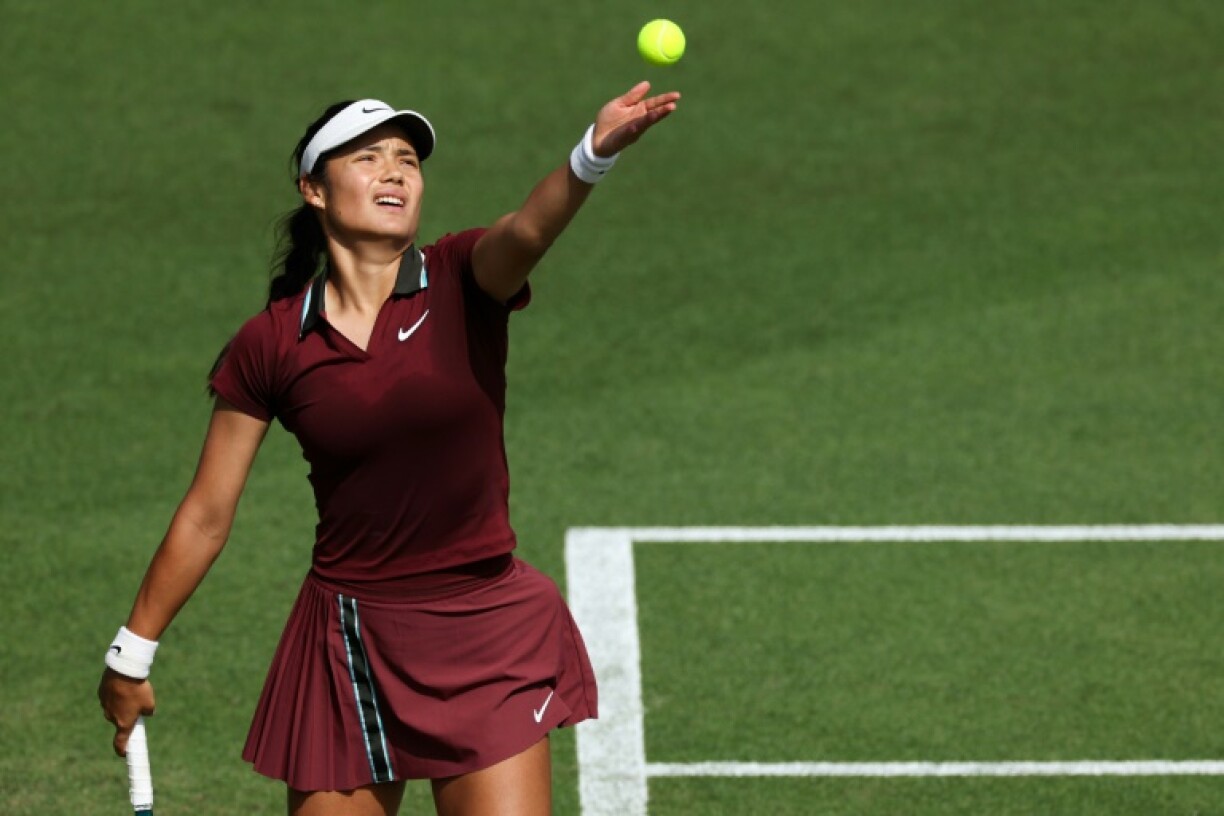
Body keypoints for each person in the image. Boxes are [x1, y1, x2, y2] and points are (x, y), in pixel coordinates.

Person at [98, 81, 680, 815]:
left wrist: (592, 154)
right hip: (349, 646)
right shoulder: (272, 343)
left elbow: (529, 232)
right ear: (314, 189)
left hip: (484, 633)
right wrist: (132, 651)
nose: (396, 172)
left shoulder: (463, 277)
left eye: (407, 159)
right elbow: (206, 514)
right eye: (368, 158)